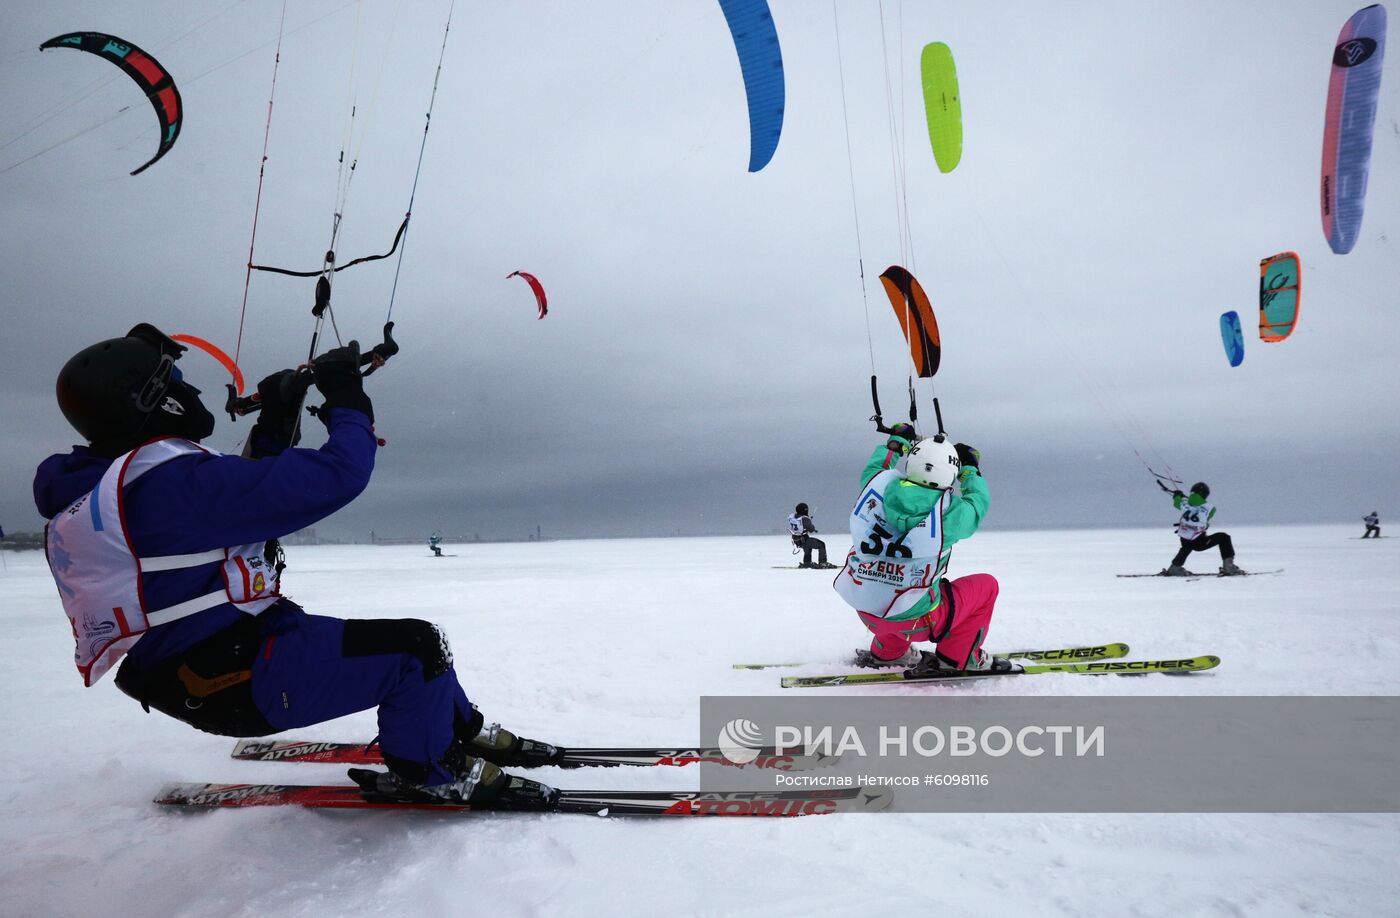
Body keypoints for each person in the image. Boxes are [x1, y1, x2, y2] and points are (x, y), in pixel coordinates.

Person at [35, 323, 557, 805]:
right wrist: (349, 400)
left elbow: (241, 501)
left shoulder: (119, 485)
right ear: (150, 400)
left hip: (208, 659)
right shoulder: (164, 486)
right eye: (176, 381)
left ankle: (455, 727)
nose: (191, 393)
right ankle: (429, 770)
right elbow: (337, 475)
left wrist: (278, 416)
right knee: (415, 651)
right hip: (223, 676)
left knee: (420, 648)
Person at [832, 423, 1009, 673]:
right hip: (917, 620)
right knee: (986, 586)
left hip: (867, 610)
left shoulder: (876, 490)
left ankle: (888, 651)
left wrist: (897, 442)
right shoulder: (948, 512)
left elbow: (876, 469)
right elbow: (977, 504)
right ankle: (958, 657)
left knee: (893, 588)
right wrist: (970, 470)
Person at [1162, 481, 1244, 576]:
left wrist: (1177, 496)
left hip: (1185, 539)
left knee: (1187, 546)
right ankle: (1229, 567)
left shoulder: (1185, 504)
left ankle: (1175, 567)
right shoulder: (1210, 508)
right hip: (1200, 542)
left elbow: (1177, 503)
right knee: (1224, 537)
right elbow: (1206, 521)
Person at [787, 502, 833, 569]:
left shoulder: (793, 518)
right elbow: (811, 529)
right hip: (804, 539)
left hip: (796, 540)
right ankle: (823, 563)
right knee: (821, 544)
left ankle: (807, 563)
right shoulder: (805, 518)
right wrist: (810, 523)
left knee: (807, 547)